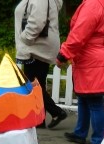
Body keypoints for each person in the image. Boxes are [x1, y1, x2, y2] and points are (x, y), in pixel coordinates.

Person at [57, 0, 104, 144]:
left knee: (93, 101)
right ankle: (80, 133)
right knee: (85, 97)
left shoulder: (93, 4)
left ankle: (98, 139)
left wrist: (63, 54)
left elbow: (79, 34)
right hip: (100, 55)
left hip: (91, 58)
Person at [15, 0, 68, 129]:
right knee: (38, 84)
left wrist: (25, 37)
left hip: (36, 47)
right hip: (40, 46)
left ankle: (56, 112)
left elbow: (37, 22)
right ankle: (40, 120)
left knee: (32, 85)